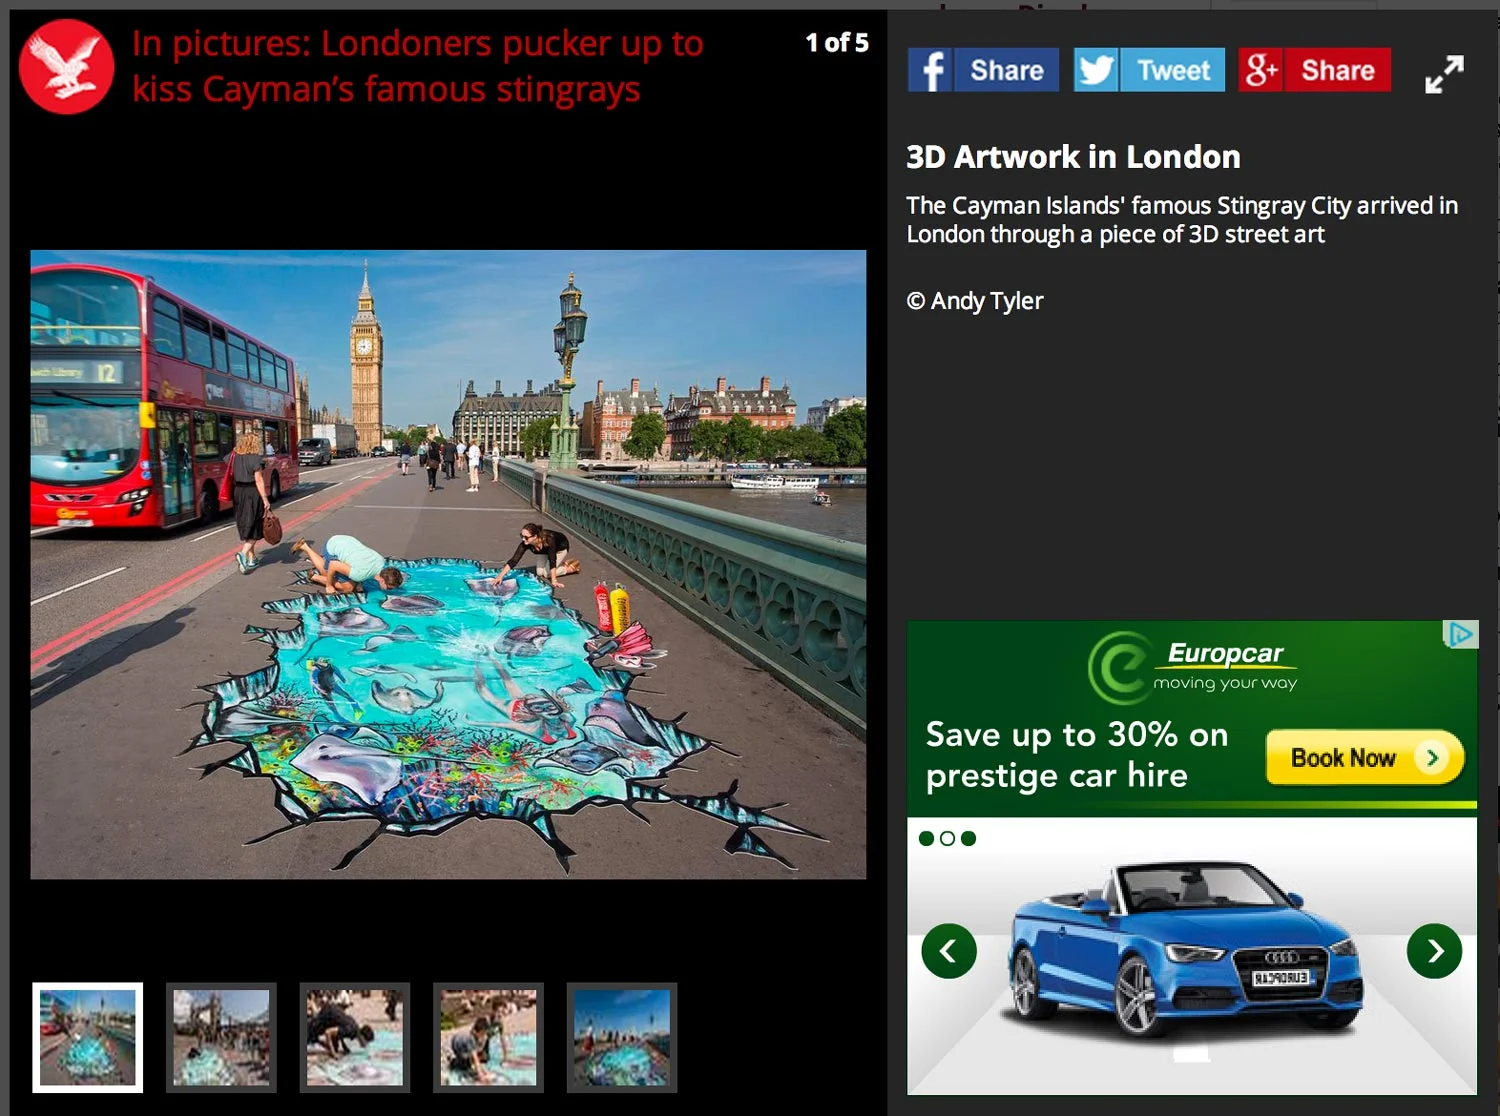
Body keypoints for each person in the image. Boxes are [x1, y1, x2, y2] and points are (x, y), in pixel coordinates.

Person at [290, 534, 405, 594]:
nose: (389, 591)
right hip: (332, 546)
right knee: (345, 587)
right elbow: (334, 565)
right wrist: (329, 585)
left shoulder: (380, 561)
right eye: (389, 589)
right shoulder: (360, 574)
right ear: (382, 580)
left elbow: (364, 561)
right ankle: (305, 547)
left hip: (346, 540)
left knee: (354, 583)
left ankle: (321, 570)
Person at [229, 430, 273, 574]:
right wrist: (265, 499)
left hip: (238, 492)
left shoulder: (234, 456)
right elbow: (259, 480)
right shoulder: (255, 458)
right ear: (254, 444)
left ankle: (252, 558)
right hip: (252, 493)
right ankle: (242, 554)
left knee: (246, 523)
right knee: (255, 526)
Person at [497, 523, 581, 589]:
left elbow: (552, 560)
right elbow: (514, 560)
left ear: (535, 536)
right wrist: (500, 576)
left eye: (526, 537)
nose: (523, 539)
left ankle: (569, 568)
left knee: (546, 574)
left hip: (560, 548)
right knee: (540, 573)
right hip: (543, 551)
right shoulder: (526, 543)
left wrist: (554, 580)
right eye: (521, 536)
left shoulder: (549, 540)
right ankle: (558, 566)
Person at [307, 1001, 374, 1060]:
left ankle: (315, 1038)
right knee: (309, 1037)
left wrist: (344, 1047)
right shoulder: (350, 1030)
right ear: (362, 1037)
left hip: (330, 1014)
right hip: (325, 1018)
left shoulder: (355, 1028)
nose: (366, 1045)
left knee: (334, 1048)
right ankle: (315, 1038)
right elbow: (328, 1032)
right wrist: (334, 1054)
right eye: (366, 1042)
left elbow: (341, 1028)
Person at [449, 1016, 494, 1083]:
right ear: (478, 1032)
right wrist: (482, 1077)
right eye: (483, 1033)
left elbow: (476, 1058)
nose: (484, 1035)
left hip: (461, 1041)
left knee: (473, 1059)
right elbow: (475, 1059)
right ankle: (454, 1062)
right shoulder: (471, 1039)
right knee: (465, 1067)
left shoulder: (475, 1033)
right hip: (456, 1045)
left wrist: (484, 1072)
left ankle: (462, 1060)